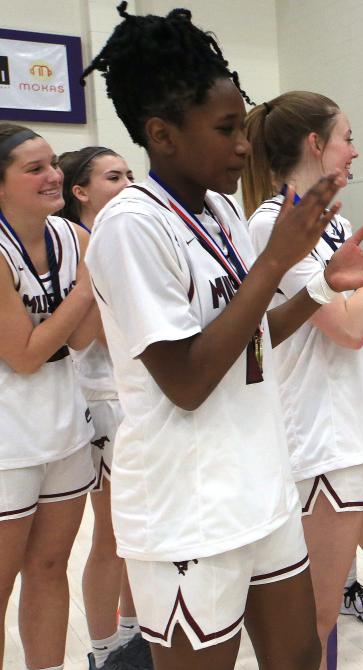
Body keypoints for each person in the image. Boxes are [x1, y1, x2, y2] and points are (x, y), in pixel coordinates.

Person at [81, 5, 363, 669]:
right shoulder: (130, 225)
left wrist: (320, 285)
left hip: (262, 482)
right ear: (162, 135)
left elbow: (250, 338)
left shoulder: (224, 210)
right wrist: (278, 263)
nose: (242, 145)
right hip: (187, 507)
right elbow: (189, 380)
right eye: (226, 129)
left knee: (300, 655)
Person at [243, 90, 363, 669]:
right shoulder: (273, 224)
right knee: (317, 616)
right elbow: (346, 328)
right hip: (322, 441)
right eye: (346, 137)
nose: (355, 149)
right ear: (315, 144)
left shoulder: (336, 222)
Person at [0, 123, 98, 670]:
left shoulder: (73, 237)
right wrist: (86, 289)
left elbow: (82, 339)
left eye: (53, 163)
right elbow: (25, 355)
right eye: (34, 169)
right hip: (7, 440)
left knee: (49, 567)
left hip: (65, 425)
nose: (53, 175)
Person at [59, 146, 152, 669]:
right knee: (113, 534)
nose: (128, 183)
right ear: (81, 191)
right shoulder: (81, 246)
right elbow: (83, 338)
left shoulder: (131, 236)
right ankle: (102, 649)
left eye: (129, 173)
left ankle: (135, 639)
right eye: (113, 176)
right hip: (100, 400)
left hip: (139, 399)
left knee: (139, 533)